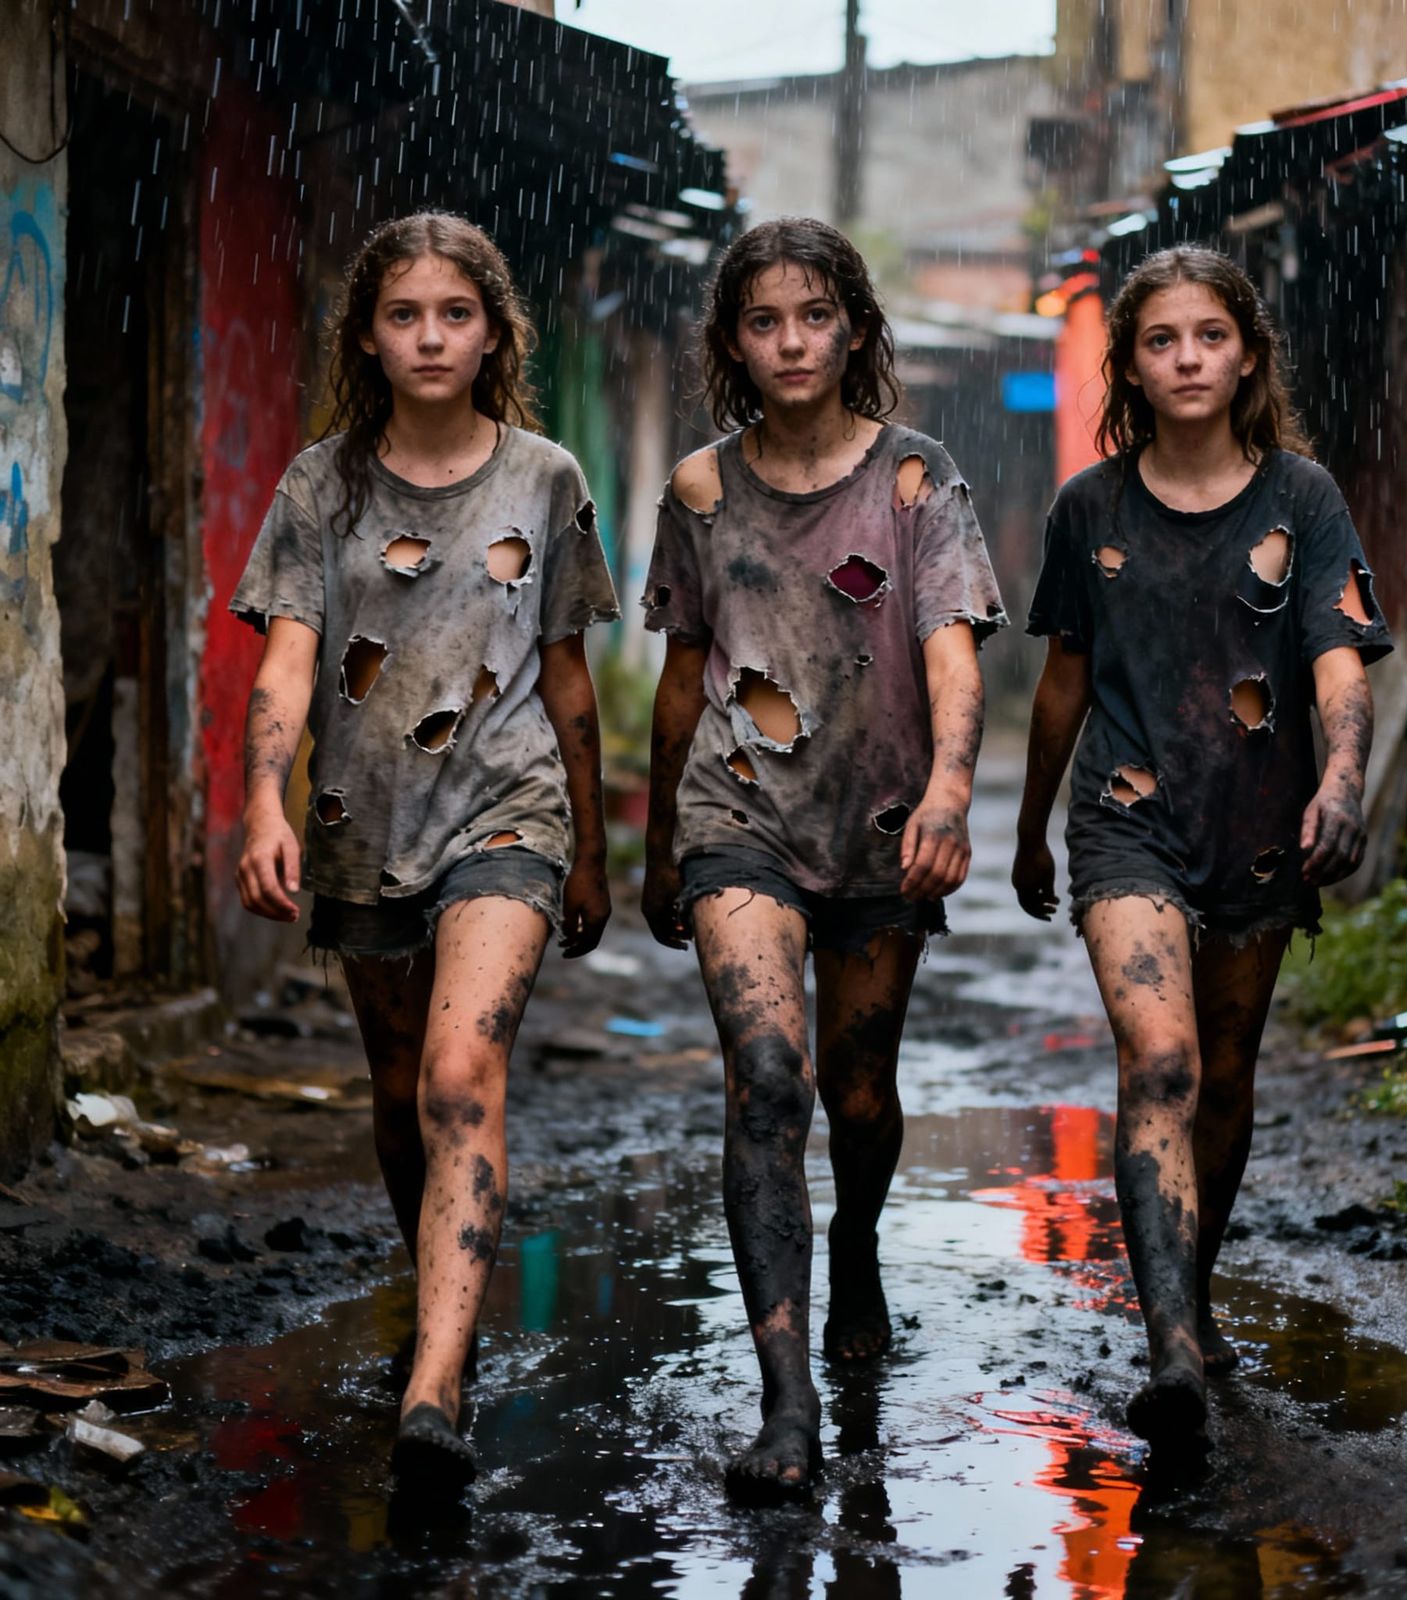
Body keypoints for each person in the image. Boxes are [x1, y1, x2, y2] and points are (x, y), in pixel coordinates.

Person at [231, 212, 618, 1489]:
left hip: (507, 812)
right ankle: (435, 1294)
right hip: (359, 820)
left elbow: (567, 675)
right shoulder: (320, 486)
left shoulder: (548, 480)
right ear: (369, 336)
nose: (431, 336)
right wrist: (263, 801)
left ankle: (435, 1387)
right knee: (403, 1097)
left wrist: (596, 845)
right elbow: (286, 655)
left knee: (461, 1073)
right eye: (404, 315)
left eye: (455, 313)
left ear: (493, 330)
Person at [641, 217, 1006, 1501]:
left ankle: (855, 1241)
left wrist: (951, 795)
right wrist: (651, 846)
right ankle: (784, 1400)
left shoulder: (917, 480)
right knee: (764, 1079)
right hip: (734, 818)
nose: (789, 341)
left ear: (853, 326)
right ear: (730, 341)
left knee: (858, 1100)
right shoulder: (698, 488)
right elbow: (684, 667)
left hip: (878, 827)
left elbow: (956, 649)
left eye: (812, 316)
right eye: (762, 320)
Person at [1013, 245, 1390, 1453]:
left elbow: (1338, 654)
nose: (1186, 359)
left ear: (1245, 354)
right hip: (1126, 823)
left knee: (1221, 1080)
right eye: (1161, 340)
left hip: (1261, 829)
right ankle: (1170, 1341)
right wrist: (1027, 828)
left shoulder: (1303, 499)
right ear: (1128, 363)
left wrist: (1341, 775)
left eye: (1208, 337)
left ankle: (1191, 1289)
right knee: (1162, 1060)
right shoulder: (1090, 507)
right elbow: (1063, 676)